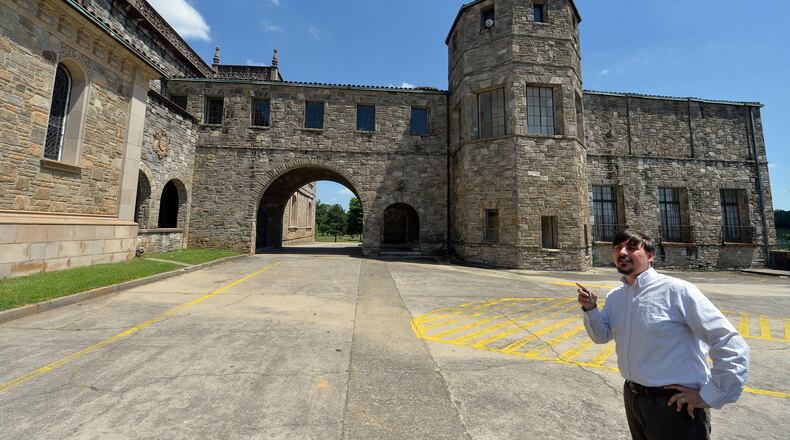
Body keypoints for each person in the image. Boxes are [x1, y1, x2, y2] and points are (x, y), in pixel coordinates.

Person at [576, 229, 749, 440]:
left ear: (650, 256)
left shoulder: (677, 291)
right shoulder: (616, 296)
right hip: (634, 399)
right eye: (617, 248)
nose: (622, 252)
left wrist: (710, 396)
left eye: (631, 247)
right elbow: (602, 336)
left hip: (674, 406)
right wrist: (591, 309)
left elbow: (729, 342)